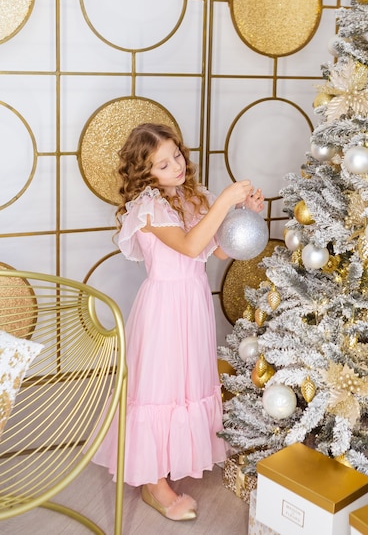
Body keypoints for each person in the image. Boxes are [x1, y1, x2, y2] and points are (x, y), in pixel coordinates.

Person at [92, 122, 264, 522]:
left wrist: (242, 213)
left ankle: (170, 458)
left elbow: (214, 253)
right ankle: (153, 483)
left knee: (185, 384)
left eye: (178, 156)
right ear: (145, 172)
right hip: (165, 306)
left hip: (194, 302)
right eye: (163, 164)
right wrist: (223, 201)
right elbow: (187, 246)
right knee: (159, 385)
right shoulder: (148, 209)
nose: (177, 167)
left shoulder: (191, 198)